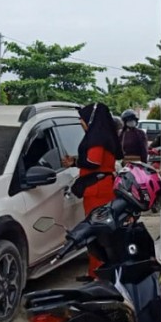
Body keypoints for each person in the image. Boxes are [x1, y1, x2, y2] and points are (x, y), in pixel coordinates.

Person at [62, 102, 124, 278]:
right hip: (103, 187)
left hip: (97, 190)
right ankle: (95, 272)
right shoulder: (106, 136)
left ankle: (99, 274)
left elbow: (94, 162)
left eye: (82, 119)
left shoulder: (97, 138)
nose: (81, 123)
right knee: (99, 232)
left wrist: (75, 162)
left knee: (97, 233)